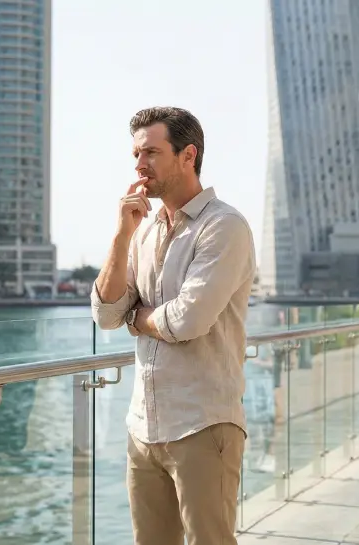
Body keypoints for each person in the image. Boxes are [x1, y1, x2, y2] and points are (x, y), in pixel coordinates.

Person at [91, 106, 255, 545]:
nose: (139, 165)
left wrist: (138, 315)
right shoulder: (143, 233)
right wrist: (121, 235)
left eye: (150, 152)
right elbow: (106, 313)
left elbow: (187, 321)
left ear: (188, 155)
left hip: (202, 423)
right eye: (136, 155)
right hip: (143, 426)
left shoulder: (224, 226)